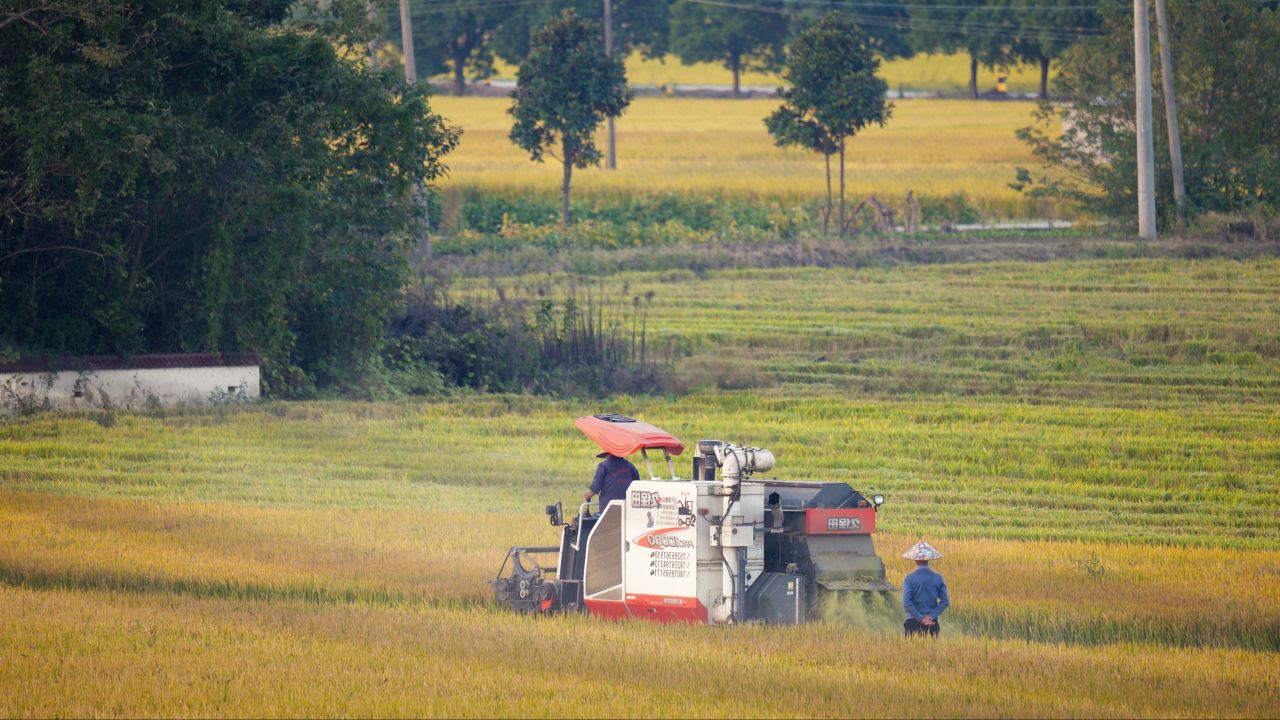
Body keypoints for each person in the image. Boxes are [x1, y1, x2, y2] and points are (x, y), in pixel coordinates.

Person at [901, 540, 949, 638]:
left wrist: (921, 618)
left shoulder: (909, 579)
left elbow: (907, 603)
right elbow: (945, 602)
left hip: (913, 623)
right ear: (928, 559)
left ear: (915, 560)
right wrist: (931, 616)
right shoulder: (938, 578)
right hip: (932, 623)